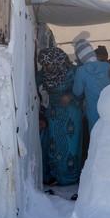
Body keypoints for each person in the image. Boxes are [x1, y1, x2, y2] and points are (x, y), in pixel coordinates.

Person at [37, 47, 84, 186]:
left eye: (48, 63)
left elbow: (82, 92)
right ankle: (54, 176)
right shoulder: (43, 74)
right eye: (44, 64)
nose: (46, 67)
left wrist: (70, 96)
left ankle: (69, 178)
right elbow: (30, 83)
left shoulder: (73, 72)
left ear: (57, 61)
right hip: (53, 114)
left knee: (71, 147)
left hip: (71, 114)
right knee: (54, 145)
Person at [73, 45, 110, 133]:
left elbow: (77, 92)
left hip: (93, 111)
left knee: (96, 135)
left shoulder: (81, 70)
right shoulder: (108, 66)